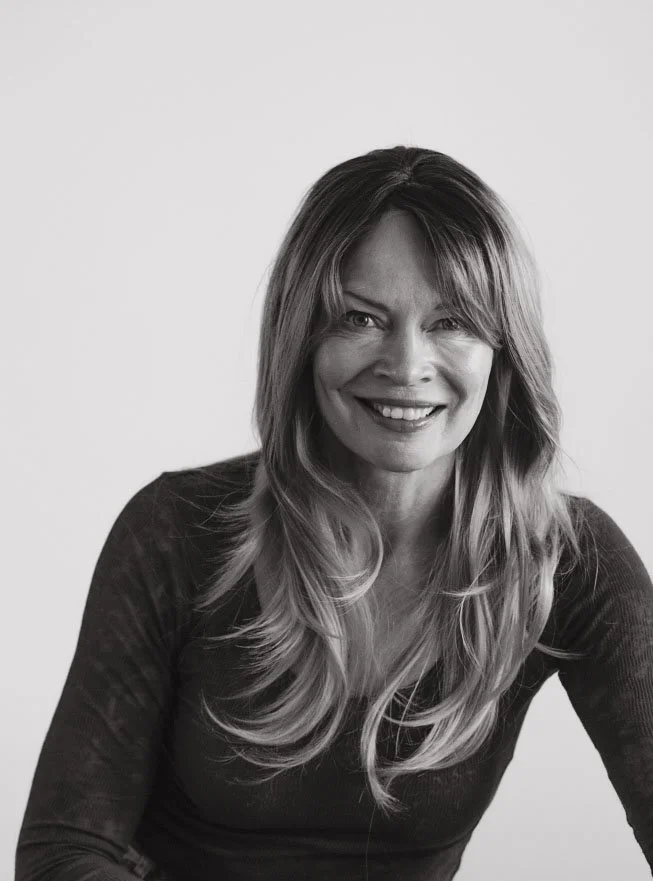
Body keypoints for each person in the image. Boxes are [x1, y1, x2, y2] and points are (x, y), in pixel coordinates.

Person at [15, 146, 653, 881]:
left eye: (451, 321)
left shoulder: (564, 558)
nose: (407, 364)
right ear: (302, 337)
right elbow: (61, 853)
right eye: (360, 317)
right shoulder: (174, 530)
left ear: (499, 349)